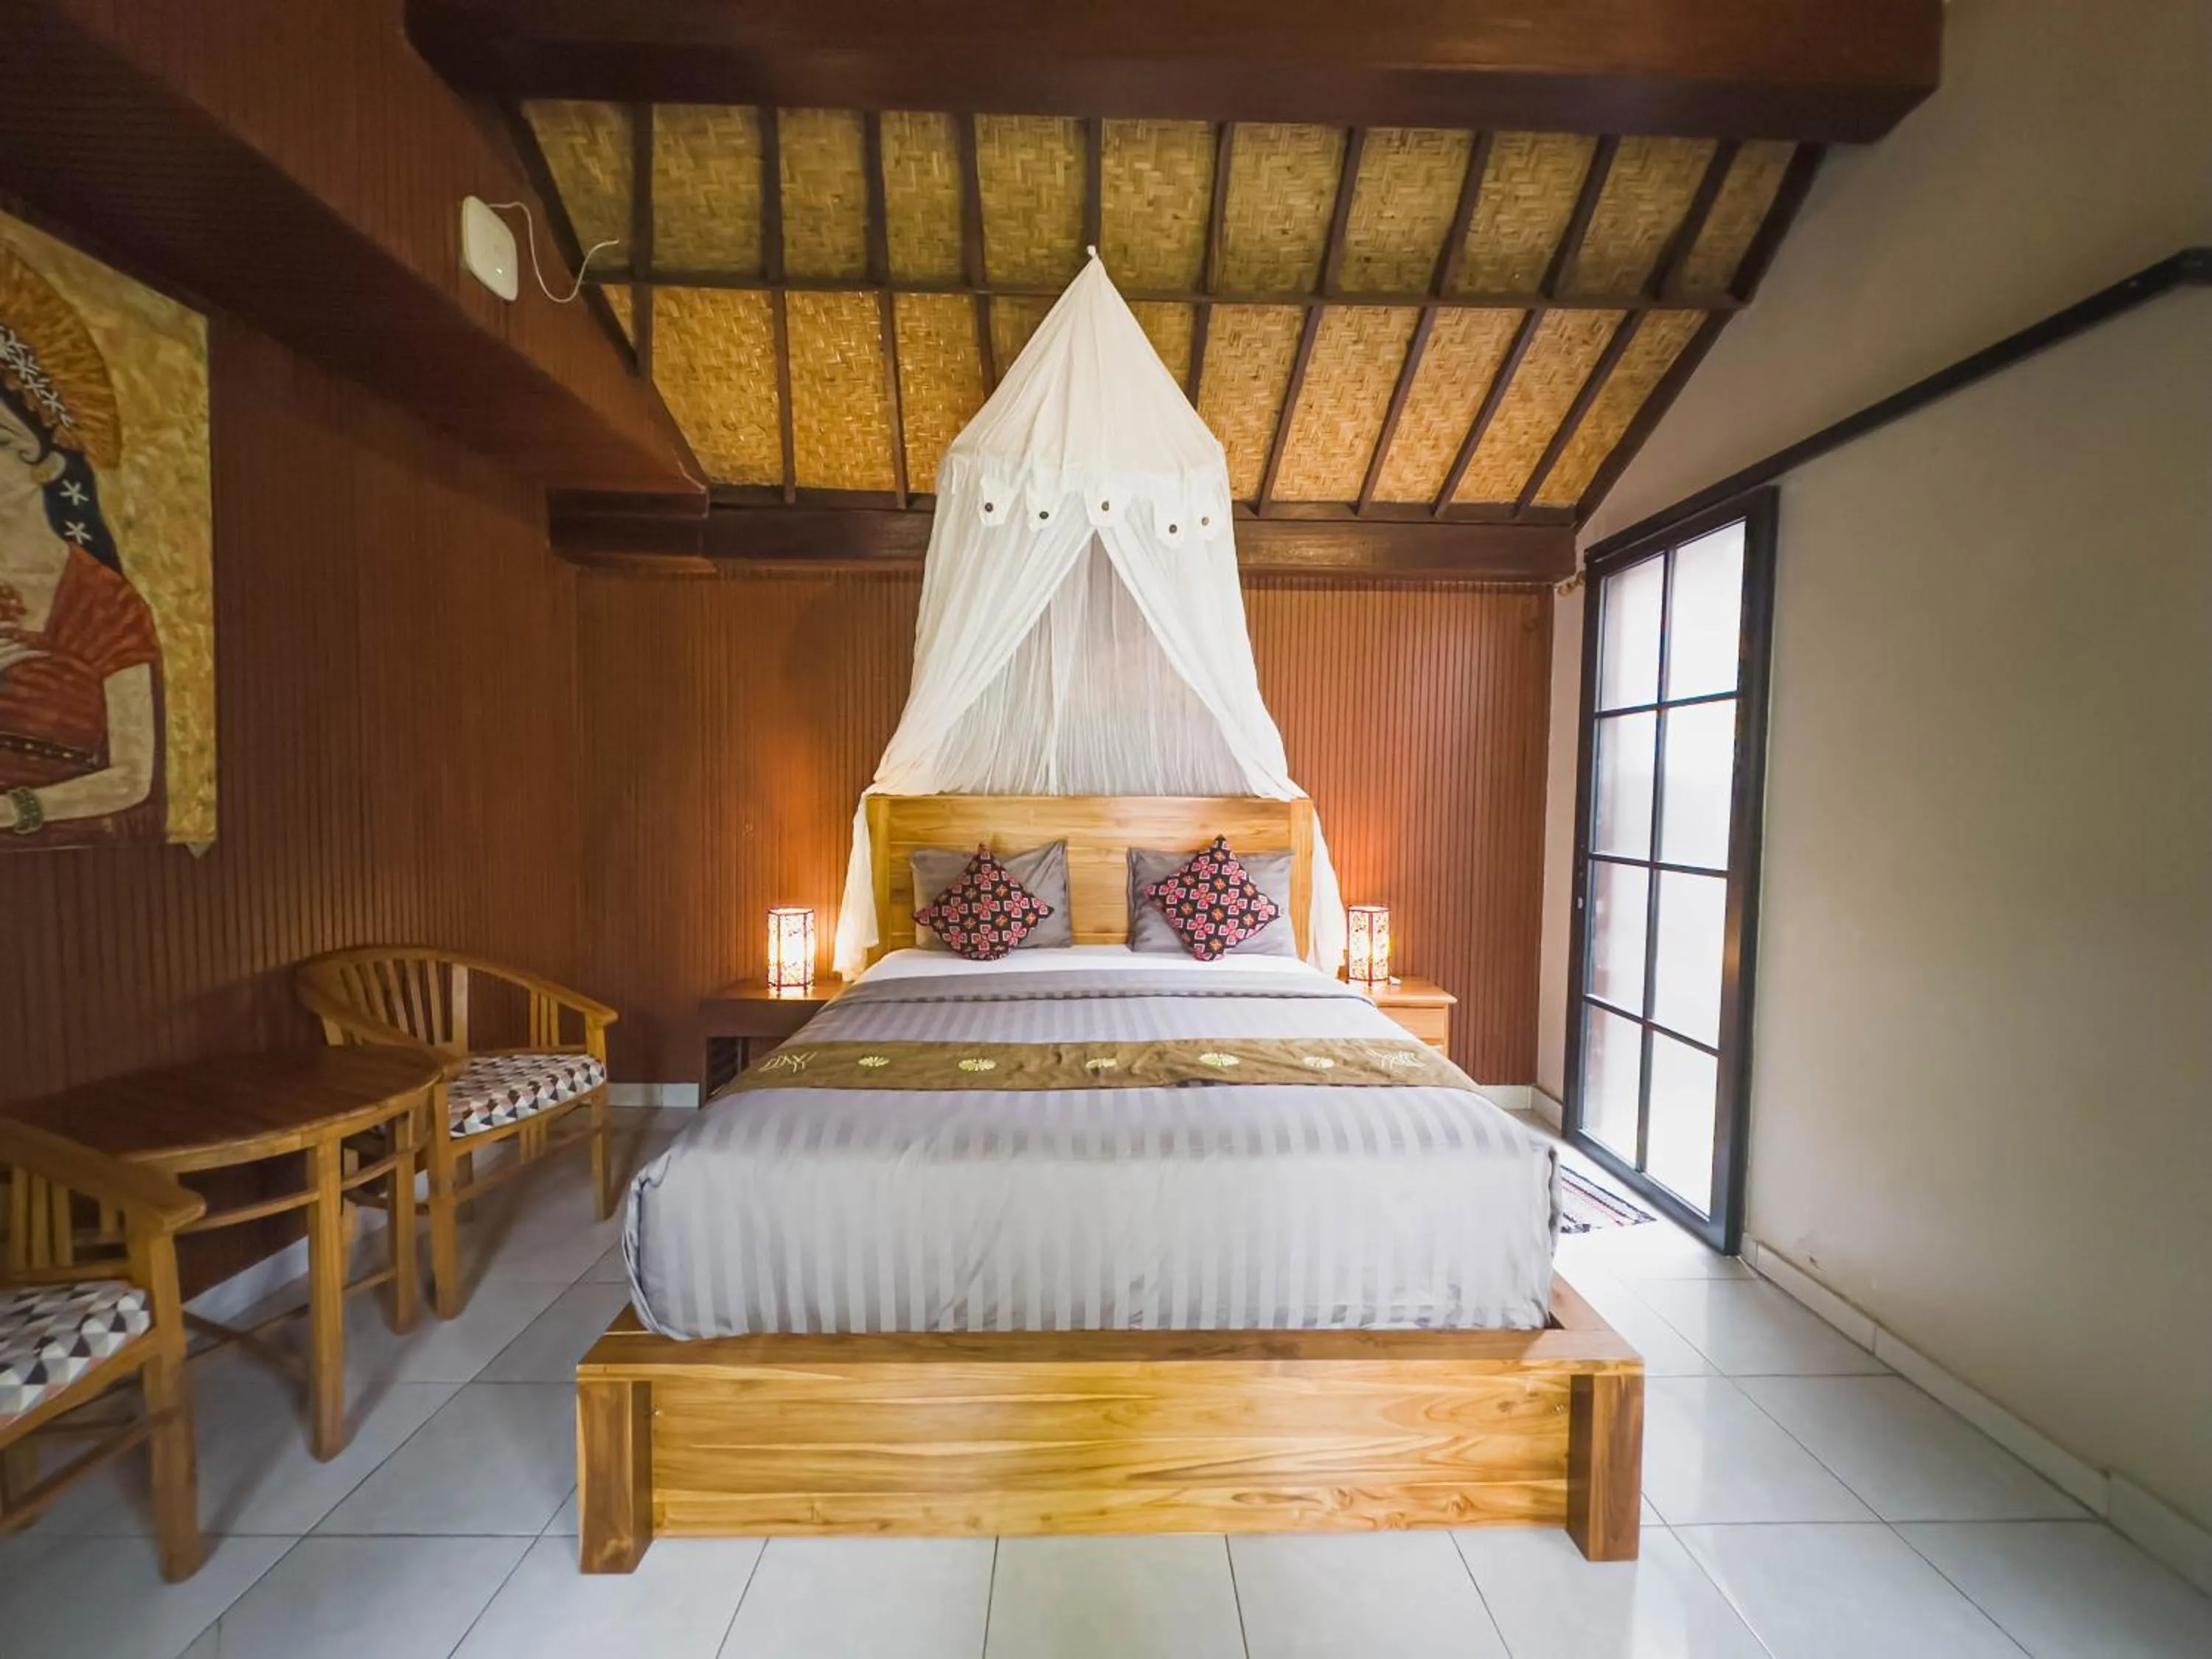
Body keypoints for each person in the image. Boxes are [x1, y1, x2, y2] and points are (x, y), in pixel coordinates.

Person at [0, 245, 163, 844]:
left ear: (38, 461)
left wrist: (14, 811)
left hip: (64, 852)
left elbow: (132, 776)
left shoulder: (105, 603)